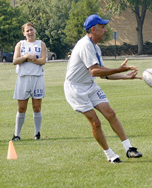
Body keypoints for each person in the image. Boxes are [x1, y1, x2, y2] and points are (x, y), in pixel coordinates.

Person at [64, 14, 142, 163]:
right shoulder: (85, 45)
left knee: (110, 113)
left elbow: (103, 74)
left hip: (90, 85)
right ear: (93, 29)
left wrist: (126, 76)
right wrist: (119, 69)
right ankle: (110, 155)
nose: (105, 30)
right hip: (76, 89)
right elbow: (95, 71)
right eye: (103, 27)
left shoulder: (95, 47)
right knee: (95, 122)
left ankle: (129, 148)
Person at [11, 22, 47, 141]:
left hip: (37, 78)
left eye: (31, 30)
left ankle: (37, 133)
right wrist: (26, 57)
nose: (30, 32)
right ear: (24, 33)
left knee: (37, 107)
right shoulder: (20, 44)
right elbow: (15, 61)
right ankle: (17, 134)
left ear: (35, 31)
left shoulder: (41, 44)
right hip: (23, 78)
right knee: (21, 108)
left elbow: (42, 61)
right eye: (27, 31)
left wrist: (31, 59)